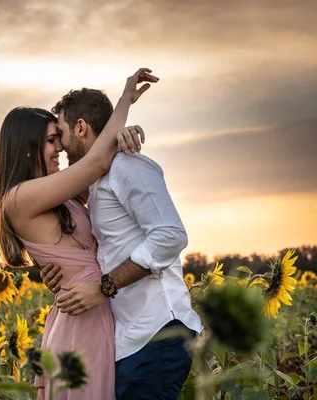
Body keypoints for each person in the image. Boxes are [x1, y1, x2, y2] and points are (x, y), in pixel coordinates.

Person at [0, 68, 158, 399]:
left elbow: (103, 172)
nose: (61, 148)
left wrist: (123, 137)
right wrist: (125, 100)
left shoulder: (61, 194)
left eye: (60, 137)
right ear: (28, 145)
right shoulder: (19, 197)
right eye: (52, 140)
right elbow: (97, 163)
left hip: (96, 308)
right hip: (81, 320)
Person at [40, 87, 204, 399]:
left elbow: (170, 236)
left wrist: (103, 287)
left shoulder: (128, 166)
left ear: (81, 128)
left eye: (59, 133)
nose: (59, 145)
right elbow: (109, 247)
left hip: (156, 333)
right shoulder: (99, 182)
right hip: (132, 339)